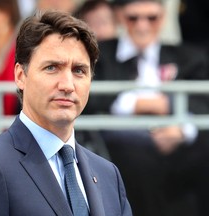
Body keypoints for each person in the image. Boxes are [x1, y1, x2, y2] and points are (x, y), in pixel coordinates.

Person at [0, 10, 132, 216]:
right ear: (20, 76)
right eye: (52, 68)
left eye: (79, 70)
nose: (67, 85)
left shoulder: (108, 175)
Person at [85, 0, 209, 215]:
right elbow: (86, 95)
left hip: (179, 146)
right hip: (121, 148)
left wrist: (182, 129)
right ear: (120, 17)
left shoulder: (188, 57)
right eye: (134, 18)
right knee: (136, 160)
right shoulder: (99, 56)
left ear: (162, 18)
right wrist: (133, 104)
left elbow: (203, 102)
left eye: (151, 18)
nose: (142, 26)